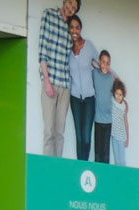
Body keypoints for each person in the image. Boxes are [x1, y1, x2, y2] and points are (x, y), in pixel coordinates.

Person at [36, 0, 78, 157]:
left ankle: (57, 166)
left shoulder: (71, 27)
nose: (70, 8)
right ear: (65, 1)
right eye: (70, 3)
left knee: (60, 133)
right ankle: (47, 167)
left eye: (74, 8)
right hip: (51, 81)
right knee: (49, 131)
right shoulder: (49, 15)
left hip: (65, 85)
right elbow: (42, 51)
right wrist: (46, 81)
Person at [66, 16, 99, 161]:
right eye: (72, 27)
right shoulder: (67, 50)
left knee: (86, 137)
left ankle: (85, 164)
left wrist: (115, 78)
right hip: (74, 98)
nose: (74, 30)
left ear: (81, 29)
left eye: (77, 27)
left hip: (89, 98)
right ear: (69, 29)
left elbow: (101, 65)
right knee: (79, 137)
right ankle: (80, 166)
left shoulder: (88, 46)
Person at [91, 50, 115, 165]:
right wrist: (97, 65)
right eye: (103, 62)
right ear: (99, 61)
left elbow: (119, 90)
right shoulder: (94, 74)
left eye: (108, 63)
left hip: (108, 120)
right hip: (98, 119)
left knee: (106, 153)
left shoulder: (111, 78)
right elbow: (91, 61)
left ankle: (106, 174)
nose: (105, 65)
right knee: (98, 152)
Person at [109, 79, 129, 166]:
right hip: (114, 135)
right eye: (117, 94)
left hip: (121, 137)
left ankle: (123, 173)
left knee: (122, 161)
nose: (118, 96)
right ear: (114, 93)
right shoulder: (112, 102)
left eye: (120, 95)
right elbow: (113, 75)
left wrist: (127, 138)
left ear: (123, 95)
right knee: (116, 160)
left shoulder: (124, 107)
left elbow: (126, 123)